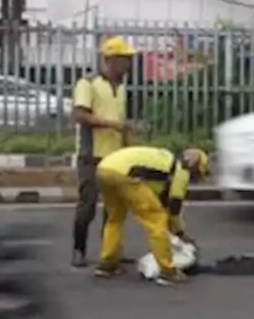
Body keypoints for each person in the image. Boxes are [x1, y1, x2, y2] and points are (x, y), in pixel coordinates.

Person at [93, 145, 207, 285]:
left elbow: (161, 198)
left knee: (115, 219)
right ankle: (167, 271)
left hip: (104, 169)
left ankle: (107, 264)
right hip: (126, 174)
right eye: (197, 174)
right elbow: (174, 207)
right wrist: (180, 232)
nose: (193, 179)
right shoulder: (181, 170)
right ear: (194, 165)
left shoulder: (164, 160)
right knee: (157, 220)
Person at [72, 37, 138, 268]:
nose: (128, 65)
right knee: (87, 205)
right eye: (124, 60)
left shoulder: (121, 87)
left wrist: (129, 148)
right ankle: (78, 250)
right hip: (92, 155)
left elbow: (122, 122)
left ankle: (109, 252)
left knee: (115, 209)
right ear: (110, 60)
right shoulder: (88, 83)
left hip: (116, 157)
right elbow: (80, 115)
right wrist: (112, 125)